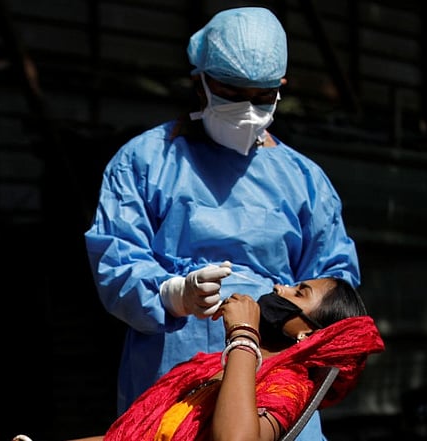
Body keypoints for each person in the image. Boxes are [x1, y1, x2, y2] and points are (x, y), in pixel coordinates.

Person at [83, 6, 361, 441]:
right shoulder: (143, 163)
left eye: (263, 95)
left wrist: (277, 319)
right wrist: (173, 294)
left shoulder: (305, 182)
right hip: (170, 383)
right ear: (201, 83)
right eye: (232, 92)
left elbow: (334, 295)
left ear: (281, 88)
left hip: (272, 388)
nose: (248, 108)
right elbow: (115, 262)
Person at [13, 278, 384, 441]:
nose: (279, 288)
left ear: (309, 333)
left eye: (298, 293)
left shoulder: (287, 386)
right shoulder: (215, 372)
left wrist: (243, 335)